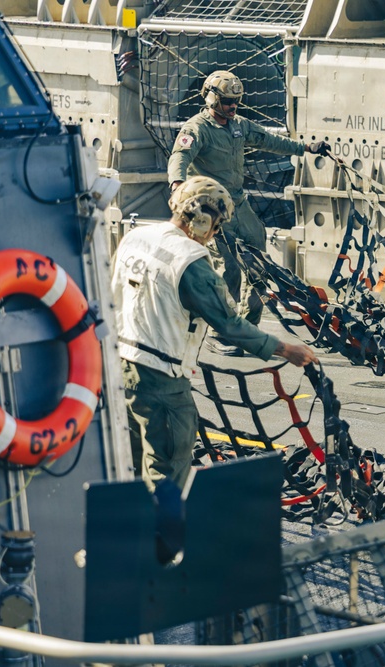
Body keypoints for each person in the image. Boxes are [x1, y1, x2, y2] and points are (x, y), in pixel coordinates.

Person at [112, 176, 319, 490]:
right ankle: (168, 538)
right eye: (216, 225)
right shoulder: (190, 261)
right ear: (202, 218)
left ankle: (132, 534)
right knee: (167, 472)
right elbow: (229, 325)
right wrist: (285, 350)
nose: (215, 233)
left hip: (120, 368)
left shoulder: (135, 237)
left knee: (130, 467)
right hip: (162, 380)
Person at [168, 70, 331, 355]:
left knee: (260, 264)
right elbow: (180, 156)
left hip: (238, 207)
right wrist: (178, 186)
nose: (233, 107)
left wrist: (307, 147)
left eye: (236, 102)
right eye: (228, 101)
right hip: (210, 213)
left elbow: (271, 141)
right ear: (212, 98)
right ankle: (220, 333)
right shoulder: (197, 129)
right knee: (229, 269)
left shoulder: (239, 126)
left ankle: (246, 327)